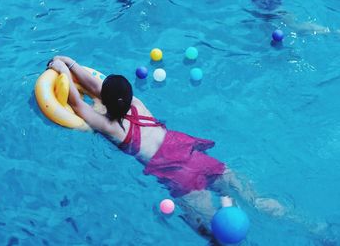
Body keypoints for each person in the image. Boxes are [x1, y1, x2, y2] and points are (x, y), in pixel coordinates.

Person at [47, 56, 284, 244]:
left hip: (178, 175)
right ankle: (306, 225)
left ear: (105, 102)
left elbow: (76, 102)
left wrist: (62, 68)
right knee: (253, 196)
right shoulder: (138, 104)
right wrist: (71, 62)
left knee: (216, 232)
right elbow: (97, 85)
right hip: (192, 155)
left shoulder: (110, 126)